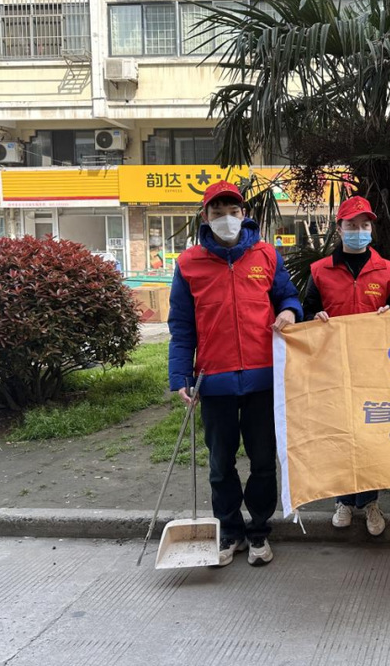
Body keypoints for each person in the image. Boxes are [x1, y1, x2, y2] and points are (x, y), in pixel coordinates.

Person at [168, 180, 303, 568]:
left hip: (263, 378)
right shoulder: (188, 264)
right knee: (220, 465)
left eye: (233, 211)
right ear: (205, 216)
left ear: (244, 215)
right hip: (214, 381)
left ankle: (259, 530)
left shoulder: (267, 255)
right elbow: (181, 325)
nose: (226, 218)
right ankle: (229, 531)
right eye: (218, 212)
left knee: (263, 462)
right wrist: (180, 376)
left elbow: (288, 296)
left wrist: (289, 311)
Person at [303, 196, 390, 537]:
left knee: (371, 437)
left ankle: (370, 501)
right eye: (351, 225)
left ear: (371, 229)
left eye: (364, 225)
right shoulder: (319, 271)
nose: (358, 230)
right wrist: (314, 317)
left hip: (375, 369)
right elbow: (306, 312)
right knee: (342, 435)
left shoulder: (389, 270)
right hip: (335, 368)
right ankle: (343, 500)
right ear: (339, 229)